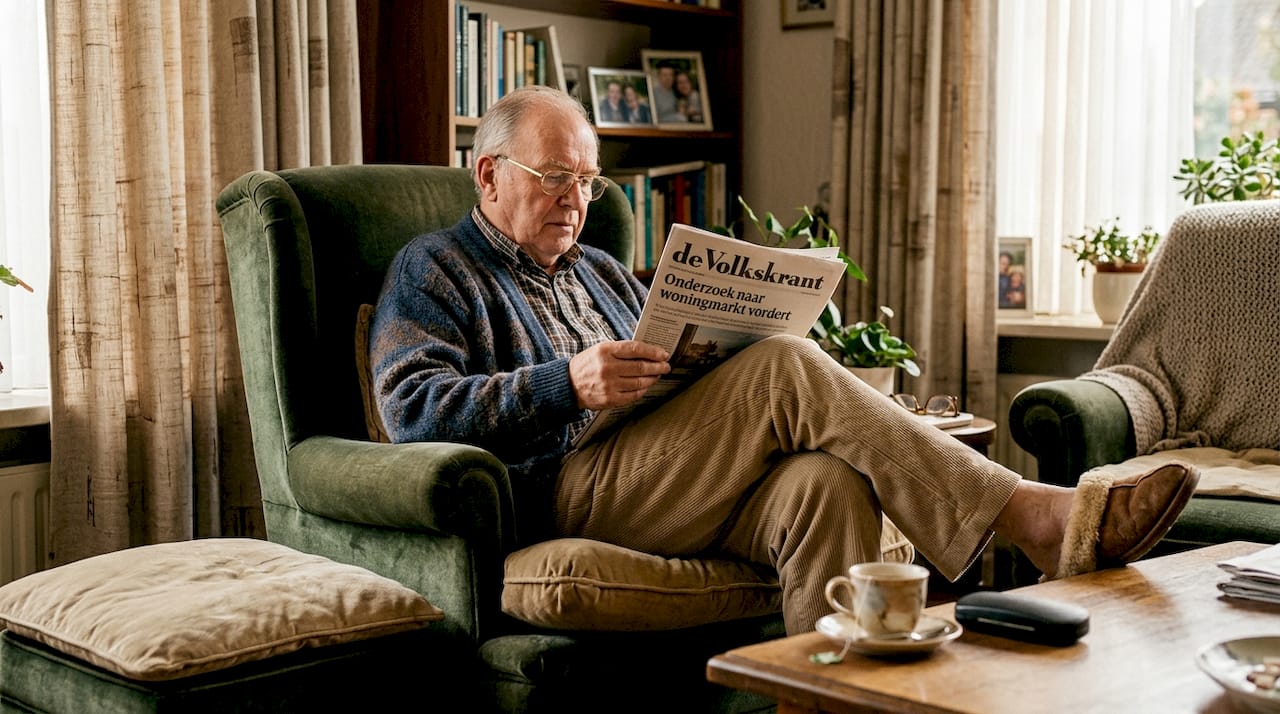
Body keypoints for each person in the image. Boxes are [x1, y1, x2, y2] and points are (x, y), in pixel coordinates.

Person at [369, 85, 1199, 636]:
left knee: (822, 486)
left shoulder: (600, 269)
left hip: (661, 467)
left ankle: (825, 694)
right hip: (560, 485)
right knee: (785, 368)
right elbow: (412, 411)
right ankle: (1030, 516)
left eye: (588, 181)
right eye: (555, 176)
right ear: (487, 176)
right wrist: (568, 380)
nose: (577, 200)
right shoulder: (435, 268)